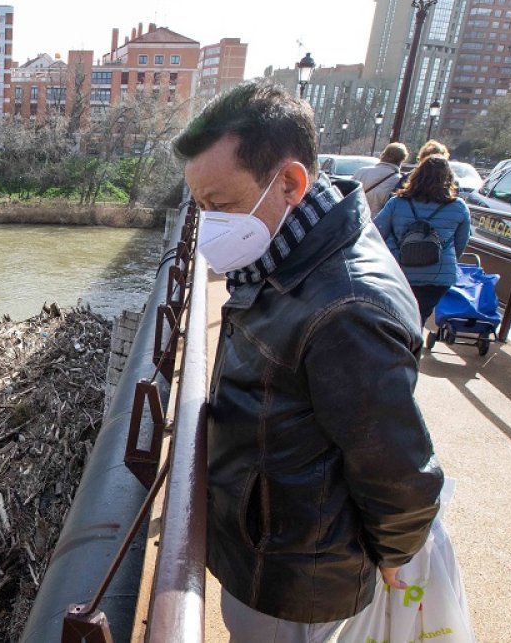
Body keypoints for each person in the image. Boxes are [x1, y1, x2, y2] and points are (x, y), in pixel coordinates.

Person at [174, 80, 444, 643]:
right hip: (274, 546)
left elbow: (397, 466)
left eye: (218, 205)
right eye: (199, 206)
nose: (209, 225)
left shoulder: (346, 306)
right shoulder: (289, 254)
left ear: (291, 182)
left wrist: (395, 553)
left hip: (297, 574)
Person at [374, 156, 472, 327]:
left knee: (396, 316)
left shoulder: (397, 202)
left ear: (417, 175)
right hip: (438, 275)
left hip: (399, 271)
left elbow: (376, 232)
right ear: (448, 179)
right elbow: (461, 243)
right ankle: (414, 345)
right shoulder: (458, 207)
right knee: (420, 317)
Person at [353, 142, 409, 217]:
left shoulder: (361, 172)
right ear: (402, 160)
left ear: (383, 155)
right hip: (377, 223)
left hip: (355, 219)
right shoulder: (398, 180)